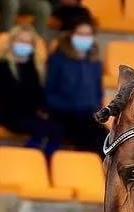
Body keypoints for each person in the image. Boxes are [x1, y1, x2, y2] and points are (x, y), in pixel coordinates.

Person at [0, 26, 58, 156]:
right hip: (6, 113)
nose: (24, 45)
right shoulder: (0, 65)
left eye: (28, 42)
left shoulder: (35, 66)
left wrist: (41, 109)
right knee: (43, 128)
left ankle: (44, 160)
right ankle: (28, 157)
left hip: (28, 113)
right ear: (12, 42)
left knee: (57, 127)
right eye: (21, 41)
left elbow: (38, 95)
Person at [45, 21, 106, 153]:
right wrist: (71, 105)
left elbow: (97, 93)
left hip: (87, 117)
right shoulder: (57, 60)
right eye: (80, 34)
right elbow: (48, 93)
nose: (84, 38)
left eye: (88, 34)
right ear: (71, 35)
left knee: (107, 141)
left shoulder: (95, 63)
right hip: (62, 115)